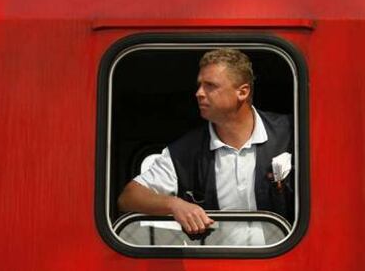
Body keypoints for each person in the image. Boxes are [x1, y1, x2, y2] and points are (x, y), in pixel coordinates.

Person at [117, 48, 294, 238]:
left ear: (242, 92)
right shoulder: (184, 151)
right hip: (217, 265)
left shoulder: (292, 132)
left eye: (210, 85)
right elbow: (128, 197)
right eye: (199, 85)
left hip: (287, 263)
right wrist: (175, 205)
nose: (199, 93)